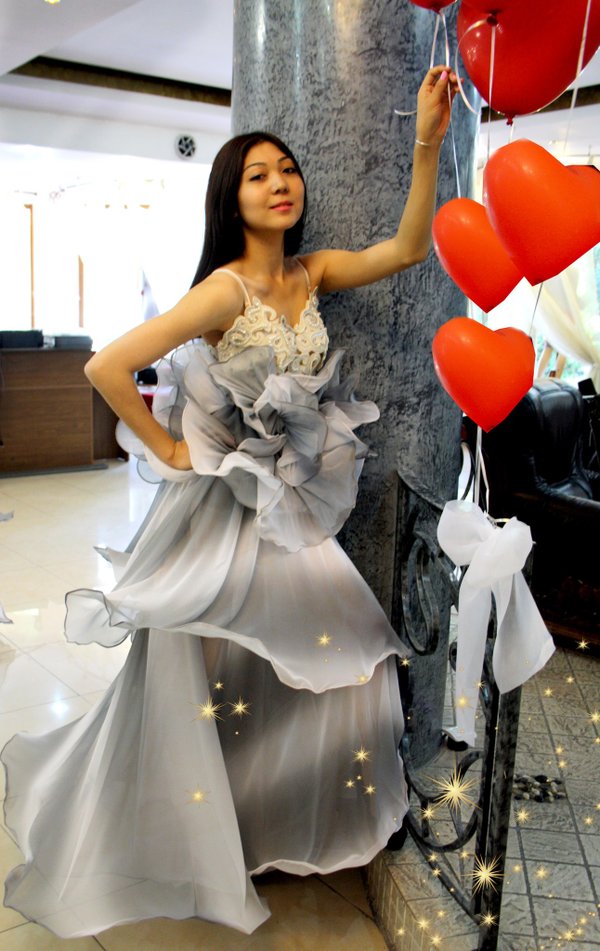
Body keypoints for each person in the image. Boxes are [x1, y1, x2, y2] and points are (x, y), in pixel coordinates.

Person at [1, 66, 457, 938]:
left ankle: (268, 825)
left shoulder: (312, 273)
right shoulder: (224, 290)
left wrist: (427, 143)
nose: (281, 183)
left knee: (339, 659)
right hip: (231, 509)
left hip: (297, 507)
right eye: (258, 174)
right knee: (225, 669)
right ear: (231, 197)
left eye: (287, 170)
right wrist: (172, 447)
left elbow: (406, 249)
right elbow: (107, 363)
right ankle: (210, 834)